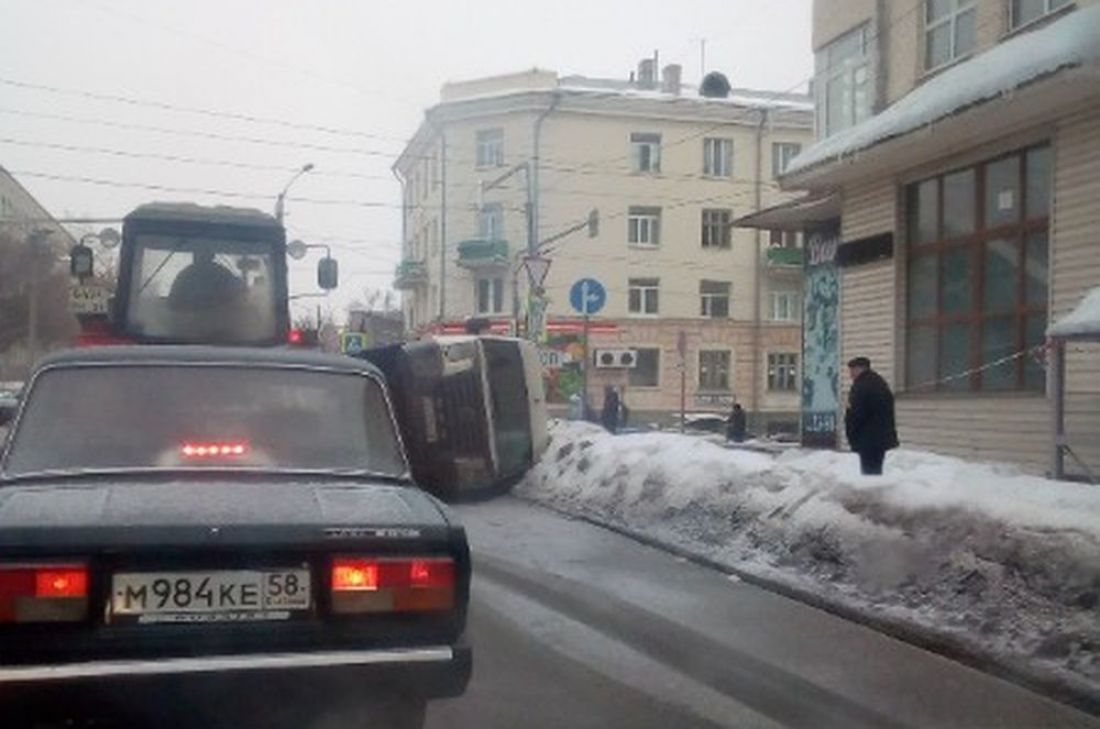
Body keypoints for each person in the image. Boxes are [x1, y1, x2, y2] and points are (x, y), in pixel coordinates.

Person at [844, 356, 899, 475]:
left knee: (869, 472)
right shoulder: (879, 382)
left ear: (859, 369)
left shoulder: (861, 386)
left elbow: (856, 414)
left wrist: (851, 434)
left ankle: (871, 492)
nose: (851, 375)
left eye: (852, 370)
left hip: (867, 438)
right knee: (876, 469)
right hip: (882, 437)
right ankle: (876, 490)